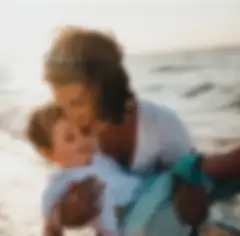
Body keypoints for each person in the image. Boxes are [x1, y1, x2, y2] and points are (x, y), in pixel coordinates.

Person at [43, 26, 240, 234]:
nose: (70, 115)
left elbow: (193, 173)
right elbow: (63, 207)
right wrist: (70, 212)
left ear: (106, 87)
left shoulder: (159, 124)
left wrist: (187, 185)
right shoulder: (76, 140)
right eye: (61, 106)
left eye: (77, 102)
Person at [26, 103, 142, 236]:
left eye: (84, 131)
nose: (82, 140)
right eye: (70, 138)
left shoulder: (99, 158)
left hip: (146, 190)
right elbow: (51, 226)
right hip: (132, 220)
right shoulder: (60, 183)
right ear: (49, 153)